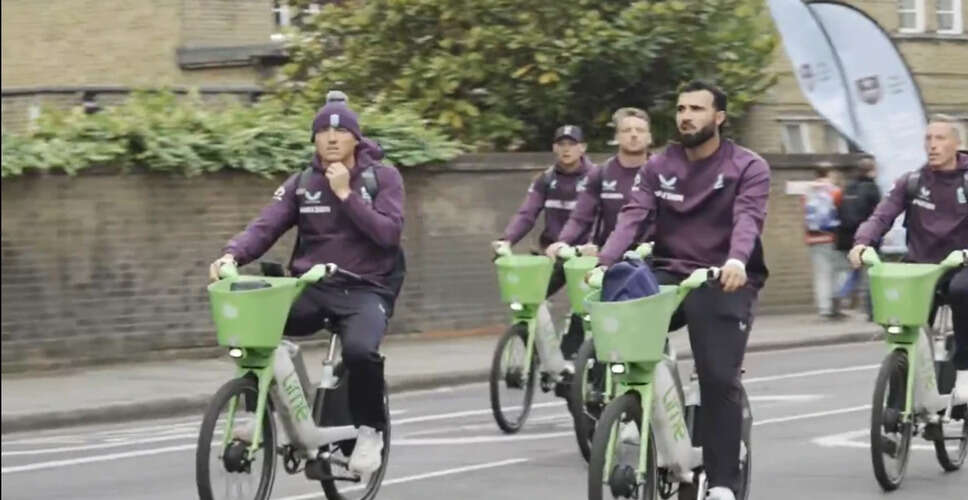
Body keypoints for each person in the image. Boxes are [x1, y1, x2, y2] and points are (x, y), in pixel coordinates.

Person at [595, 80, 770, 500]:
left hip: (724, 277)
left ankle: (724, 483)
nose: (686, 116)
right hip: (670, 272)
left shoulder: (747, 166)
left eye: (696, 108)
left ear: (719, 118)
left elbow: (748, 217)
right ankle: (645, 420)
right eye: (680, 108)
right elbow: (633, 215)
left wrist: (735, 261)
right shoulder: (658, 166)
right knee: (624, 332)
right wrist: (603, 264)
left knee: (717, 376)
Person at [209, 101, 405, 475]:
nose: (331, 137)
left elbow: (389, 234)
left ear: (356, 138)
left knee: (361, 352)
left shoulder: (383, 178)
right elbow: (265, 226)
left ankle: (369, 432)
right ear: (314, 138)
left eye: (341, 131)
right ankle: (264, 411)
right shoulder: (302, 183)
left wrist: (346, 194)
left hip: (366, 288)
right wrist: (232, 254)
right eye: (323, 132)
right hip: (312, 285)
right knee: (256, 330)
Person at [849, 114, 968, 405]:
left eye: (940, 138)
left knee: (962, 291)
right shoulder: (912, 182)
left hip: (961, 265)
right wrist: (862, 243)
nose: (932, 145)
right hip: (920, 267)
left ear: (957, 143)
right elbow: (882, 215)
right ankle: (902, 387)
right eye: (928, 138)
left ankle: (965, 371)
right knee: (901, 316)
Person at [491, 125, 595, 388]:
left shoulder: (596, 178)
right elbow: (527, 213)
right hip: (552, 254)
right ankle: (544, 358)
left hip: (585, 256)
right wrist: (507, 240)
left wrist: (593, 247)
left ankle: (578, 360)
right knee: (528, 301)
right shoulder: (546, 180)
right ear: (554, 148)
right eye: (561, 144)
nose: (567, 149)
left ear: (583, 148)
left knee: (585, 311)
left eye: (572, 144)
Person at [545, 107, 653, 258]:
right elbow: (580, 218)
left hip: (653, 258)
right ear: (617, 137)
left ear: (649, 137)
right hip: (608, 257)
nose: (634, 135)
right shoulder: (601, 173)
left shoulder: (663, 173)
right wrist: (562, 241)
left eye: (640, 130)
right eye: (627, 130)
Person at [836, 158, 881, 318]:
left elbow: (839, 210)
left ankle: (839, 297)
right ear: (871, 170)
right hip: (867, 237)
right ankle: (871, 310)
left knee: (854, 270)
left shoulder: (849, 187)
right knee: (872, 273)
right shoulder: (872, 188)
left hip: (847, 236)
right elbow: (879, 214)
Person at [803, 166, 848, 318]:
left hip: (813, 237)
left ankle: (824, 308)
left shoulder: (807, 192)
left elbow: (805, 214)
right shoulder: (834, 191)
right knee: (839, 271)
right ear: (829, 174)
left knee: (820, 274)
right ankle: (835, 304)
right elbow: (841, 212)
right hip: (832, 238)